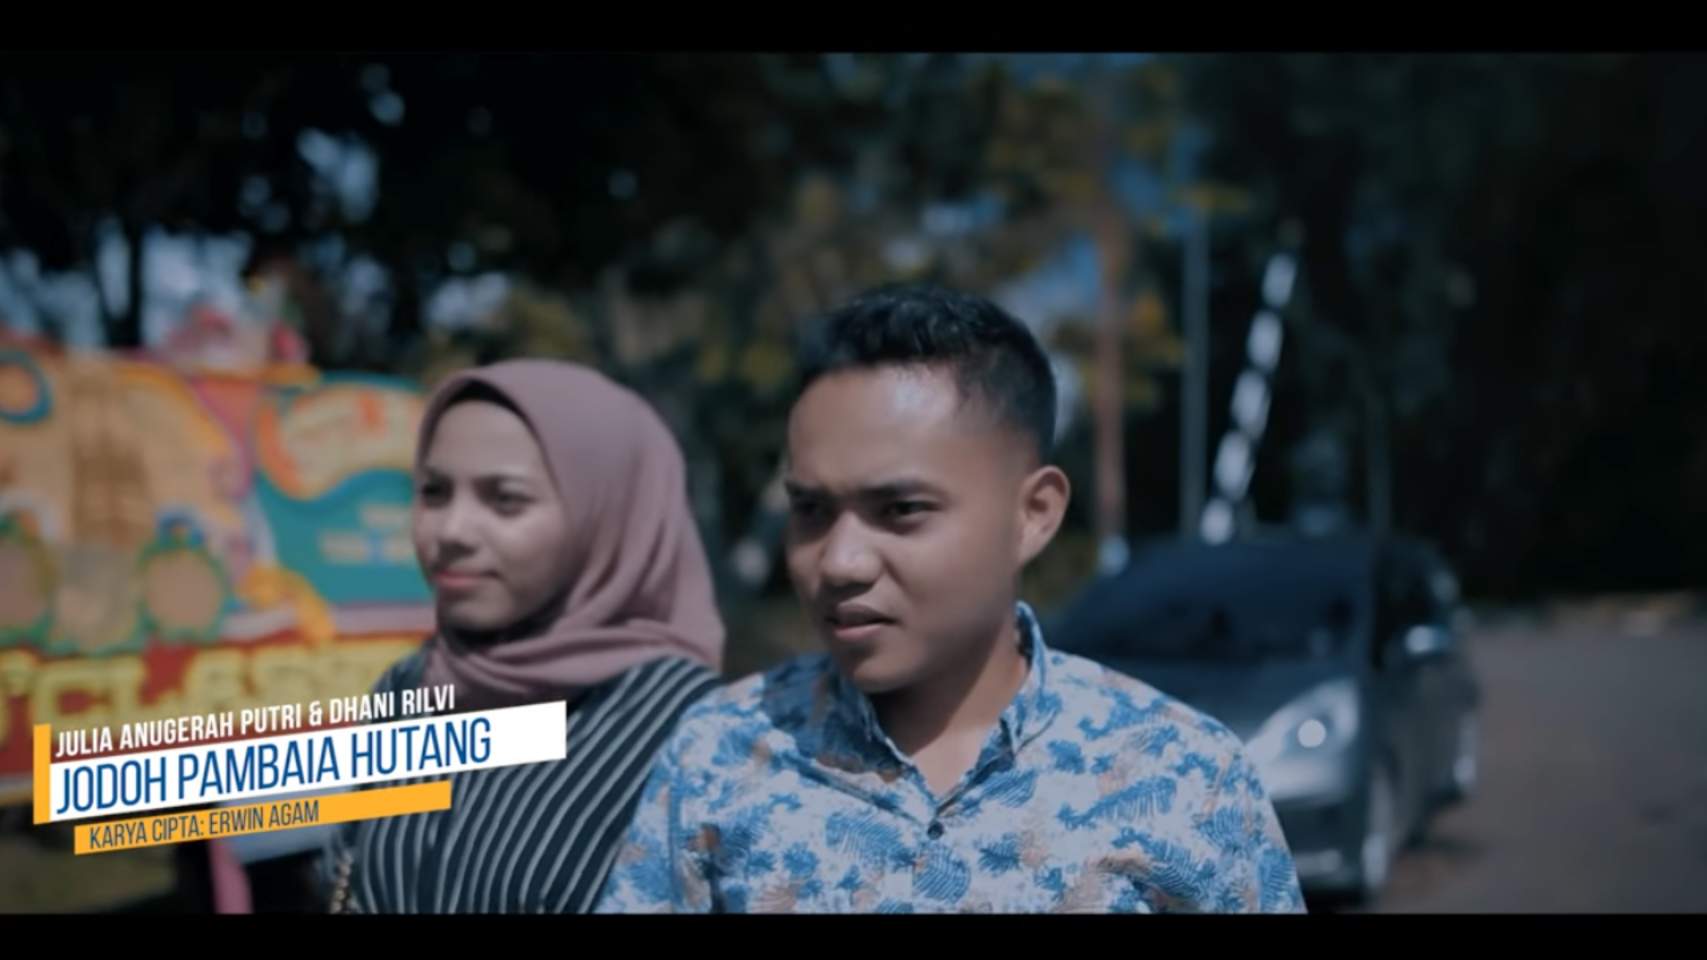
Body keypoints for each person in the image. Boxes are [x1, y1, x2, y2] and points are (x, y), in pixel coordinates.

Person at [596, 285, 1305, 913]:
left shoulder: (1183, 774)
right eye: (811, 510)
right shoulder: (720, 751)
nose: (838, 562)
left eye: (901, 509)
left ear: (1033, 514)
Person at [321, 360, 725, 913]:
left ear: (605, 513)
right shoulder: (411, 686)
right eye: (434, 492)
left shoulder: (693, 732)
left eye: (505, 499)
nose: (452, 531)